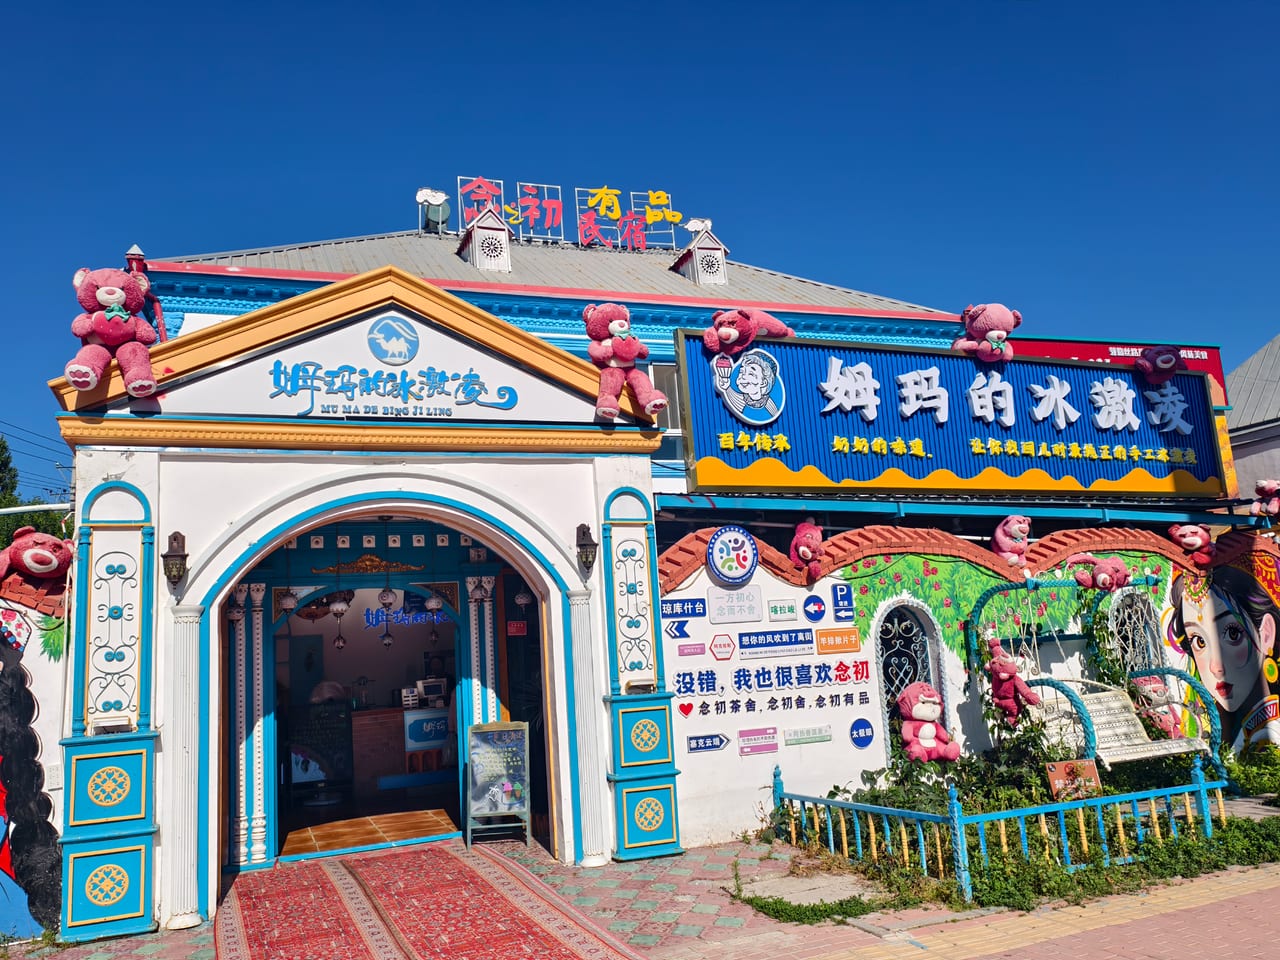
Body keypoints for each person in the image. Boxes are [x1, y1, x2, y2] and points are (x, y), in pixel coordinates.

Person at [1168, 565, 1280, 752]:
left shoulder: (1268, 737)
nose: (1215, 666)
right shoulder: (1238, 730)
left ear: (1266, 634)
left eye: (1233, 634)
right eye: (1199, 642)